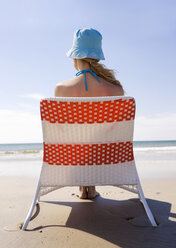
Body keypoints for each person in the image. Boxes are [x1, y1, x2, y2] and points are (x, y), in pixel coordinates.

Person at [54, 28, 125, 199]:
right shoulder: (116, 90)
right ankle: (91, 188)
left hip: (70, 158)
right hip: (105, 157)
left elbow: (63, 131)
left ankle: (82, 187)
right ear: (98, 56)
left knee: (77, 137)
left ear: (75, 57)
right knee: (95, 136)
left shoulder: (61, 89)